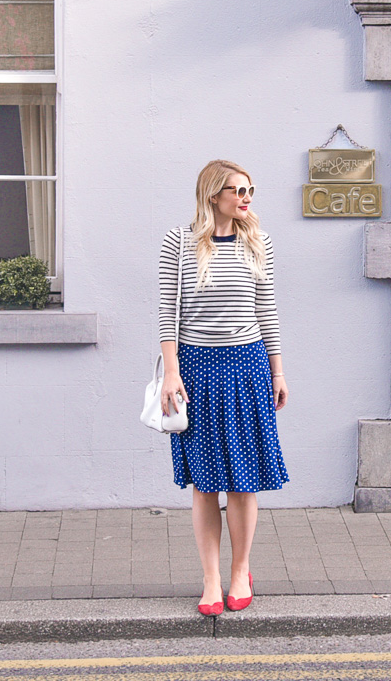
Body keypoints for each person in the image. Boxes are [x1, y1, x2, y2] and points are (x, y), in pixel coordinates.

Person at [158, 159, 289, 616]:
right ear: (213, 194)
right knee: (204, 483)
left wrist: (277, 371)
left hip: (248, 365)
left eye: (250, 189)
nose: (246, 197)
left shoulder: (259, 243)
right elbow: (166, 313)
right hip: (195, 368)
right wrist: (171, 372)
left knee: (243, 482)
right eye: (237, 190)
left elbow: (266, 311)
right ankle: (211, 579)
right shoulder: (180, 242)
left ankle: (241, 571)